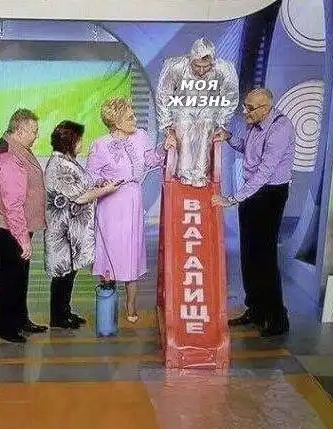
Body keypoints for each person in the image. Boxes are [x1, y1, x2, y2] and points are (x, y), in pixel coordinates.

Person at [212, 88, 295, 337]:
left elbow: (265, 172)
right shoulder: (253, 123)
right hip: (252, 192)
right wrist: (229, 137)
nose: (244, 111)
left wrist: (232, 198)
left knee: (265, 257)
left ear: (266, 108)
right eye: (244, 106)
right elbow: (247, 149)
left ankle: (277, 319)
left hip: (270, 194)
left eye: (249, 107)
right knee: (248, 254)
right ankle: (256, 310)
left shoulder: (280, 128)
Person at [86, 97, 170, 323]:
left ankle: (131, 304)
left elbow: (152, 160)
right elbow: (91, 174)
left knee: (131, 251)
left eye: (134, 116)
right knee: (110, 252)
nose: (135, 120)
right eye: (130, 117)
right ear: (116, 122)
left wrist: (164, 147)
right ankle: (107, 306)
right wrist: (104, 183)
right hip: (110, 203)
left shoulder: (141, 136)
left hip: (133, 199)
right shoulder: (100, 144)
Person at [44, 121, 120, 329]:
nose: (82, 143)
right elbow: (80, 196)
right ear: (70, 142)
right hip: (63, 232)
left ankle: (64, 312)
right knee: (62, 275)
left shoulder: (68, 161)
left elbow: (82, 185)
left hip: (72, 232)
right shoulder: (59, 166)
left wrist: (99, 184)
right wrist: (106, 190)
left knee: (69, 274)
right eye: (79, 139)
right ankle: (58, 318)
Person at [0, 109, 48, 343]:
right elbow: (12, 205)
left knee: (19, 276)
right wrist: (23, 239)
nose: (36, 135)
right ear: (20, 131)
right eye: (33, 131)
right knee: (8, 278)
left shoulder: (17, 147)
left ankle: (21, 320)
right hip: (8, 228)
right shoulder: (8, 156)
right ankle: (6, 329)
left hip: (15, 226)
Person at [156, 37, 240, 187]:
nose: (201, 71)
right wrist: (168, 127)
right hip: (182, 109)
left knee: (206, 124)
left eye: (206, 67)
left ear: (212, 62)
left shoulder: (224, 69)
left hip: (209, 110)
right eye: (197, 66)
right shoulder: (176, 66)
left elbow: (230, 97)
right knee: (184, 124)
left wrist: (221, 123)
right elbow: (164, 96)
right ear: (191, 59)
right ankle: (184, 172)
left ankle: (200, 173)